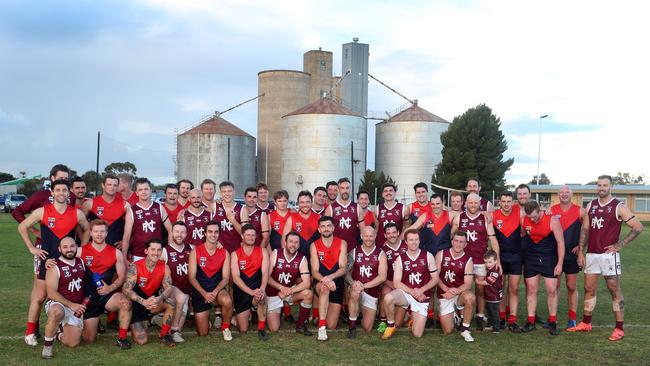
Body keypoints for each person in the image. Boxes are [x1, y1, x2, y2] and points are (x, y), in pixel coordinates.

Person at [568, 175, 643, 341]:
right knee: (589, 288)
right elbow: (585, 230)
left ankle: (619, 328)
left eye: (605, 185)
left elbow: (638, 227)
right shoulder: (591, 206)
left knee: (614, 290)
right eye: (599, 185)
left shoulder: (619, 206)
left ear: (611, 186)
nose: (601, 188)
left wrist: (619, 245)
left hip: (608, 256)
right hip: (592, 255)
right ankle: (586, 322)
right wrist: (581, 251)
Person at [18, 179, 89, 347]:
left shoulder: (76, 213)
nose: (61, 193)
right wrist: (32, 248)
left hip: (67, 262)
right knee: (41, 296)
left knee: (68, 292)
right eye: (58, 190)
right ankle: (30, 332)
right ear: (52, 193)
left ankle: (60, 327)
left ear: (68, 193)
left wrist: (82, 249)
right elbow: (22, 227)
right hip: (47, 261)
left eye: (64, 190)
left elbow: (86, 229)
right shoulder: (42, 211)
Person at [77, 219, 131, 348]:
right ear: (90, 233)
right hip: (87, 299)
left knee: (125, 303)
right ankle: (68, 326)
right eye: (96, 231)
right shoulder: (80, 252)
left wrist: (110, 288)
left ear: (107, 233)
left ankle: (122, 338)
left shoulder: (116, 253)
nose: (99, 234)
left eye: (102, 231)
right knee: (89, 339)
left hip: (106, 296)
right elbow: (63, 262)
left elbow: (122, 276)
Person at [451, 192, 500, 330]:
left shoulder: (485, 219)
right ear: (466, 203)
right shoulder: (459, 217)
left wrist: (498, 260)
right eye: (470, 203)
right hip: (463, 260)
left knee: (480, 288)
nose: (473, 205)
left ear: (480, 204)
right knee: (462, 288)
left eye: (475, 203)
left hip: (479, 260)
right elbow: (452, 237)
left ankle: (479, 316)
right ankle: (460, 315)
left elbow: (493, 240)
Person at [381, 229, 438, 339]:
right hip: (407, 293)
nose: (414, 242)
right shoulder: (400, 258)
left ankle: (410, 315)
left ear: (419, 240)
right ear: (406, 242)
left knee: (417, 334)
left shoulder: (428, 256)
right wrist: (413, 292)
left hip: (422, 297)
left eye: (416, 239)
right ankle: (390, 326)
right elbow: (396, 282)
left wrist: (421, 291)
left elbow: (435, 279)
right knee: (388, 298)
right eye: (411, 240)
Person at [520, 200, 565, 335]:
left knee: (551, 290)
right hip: (531, 258)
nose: (532, 219)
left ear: (540, 211)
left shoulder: (553, 221)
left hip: (549, 259)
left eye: (534, 216)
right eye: (530, 217)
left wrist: (560, 263)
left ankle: (552, 321)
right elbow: (523, 233)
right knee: (531, 290)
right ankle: (531, 321)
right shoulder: (524, 220)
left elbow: (560, 243)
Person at [122, 239, 176, 346]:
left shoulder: (165, 267)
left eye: (159, 250)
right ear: (146, 251)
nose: (156, 253)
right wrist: (143, 302)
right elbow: (126, 289)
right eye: (153, 249)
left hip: (152, 303)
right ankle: (127, 329)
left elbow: (169, 288)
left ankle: (164, 335)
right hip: (137, 305)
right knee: (142, 341)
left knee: (171, 302)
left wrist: (159, 298)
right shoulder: (135, 266)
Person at [41, 237, 87, 359]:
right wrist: (71, 304)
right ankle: (47, 346)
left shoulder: (81, 262)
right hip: (59, 303)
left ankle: (58, 334)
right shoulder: (54, 266)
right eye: (65, 247)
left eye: (72, 246)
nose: (69, 249)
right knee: (56, 311)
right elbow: (51, 293)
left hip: (76, 307)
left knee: (73, 343)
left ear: (76, 247)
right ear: (59, 249)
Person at [188, 220, 234, 341]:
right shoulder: (195, 251)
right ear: (205, 233)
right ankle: (205, 319)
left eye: (216, 232)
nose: (213, 234)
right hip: (201, 291)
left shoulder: (224, 252)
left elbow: (225, 278)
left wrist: (214, 292)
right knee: (203, 332)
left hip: (216, 289)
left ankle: (225, 328)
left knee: (227, 301)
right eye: (210, 232)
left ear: (219, 234)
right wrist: (205, 294)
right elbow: (191, 278)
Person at [549, 185, 585, 328]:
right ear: (558, 195)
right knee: (554, 287)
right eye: (561, 192)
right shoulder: (551, 210)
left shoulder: (580, 211)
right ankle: (553, 318)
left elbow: (587, 231)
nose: (564, 195)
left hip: (572, 254)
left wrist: (581, 248)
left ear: (572, 194)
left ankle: (572, 318)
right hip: (554, 255)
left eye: (567, 192)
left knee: (571, 286)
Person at [266, 231, 314, 335]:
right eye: (291, 241)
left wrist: (289, 290)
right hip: (274, 294)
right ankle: (278, 308)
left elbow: (306, 283)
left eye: (296, 242)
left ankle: (300, 325)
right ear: (285, 242)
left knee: (308, 294)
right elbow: (266, 277)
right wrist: (281, 288)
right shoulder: (275, 253)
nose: (293, 245)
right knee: (274, 328)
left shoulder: (302, 259)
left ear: (299, 244)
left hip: (289, 293)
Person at [310, 216, 348, 341]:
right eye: (323, 226)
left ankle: (318, 311)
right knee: (324, 289)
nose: (326, 229)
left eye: (328, 226)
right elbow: (314, 272)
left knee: (331, 325)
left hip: (336, 282)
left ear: (333, 228)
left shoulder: (342, 243)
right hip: (321, 282)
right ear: (319, 229)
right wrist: (326, 280)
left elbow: (343, 268)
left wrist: (331, 277)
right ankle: (321, 327)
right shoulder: (314, 245)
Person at [346, 226, 387, 337]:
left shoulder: (381, 254)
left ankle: (358, 312)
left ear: (375, 236)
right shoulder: (354, 252)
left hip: (370, 291)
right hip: (356, 288)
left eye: (371, 236)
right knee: (355, 293)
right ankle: (352, 326)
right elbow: (346, 273)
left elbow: (382, 277)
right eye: (366, 236)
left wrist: (363, 286)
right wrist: (353, 283)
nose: (368, 238)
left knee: (367, 328)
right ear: (361, 236)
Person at [231, 224, 270, 340]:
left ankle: (261, 329)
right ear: (242, 236)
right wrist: (251, 292)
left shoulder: (263, 251)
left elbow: (265, 273)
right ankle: (238, 317)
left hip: (257, 291)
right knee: (243, 329)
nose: (251, 237)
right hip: (242, 292)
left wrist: (262, 289)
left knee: (262, 297)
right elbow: (236, 278)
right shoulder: (235, 254)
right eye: (248, 235)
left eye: (253, 235)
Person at [435, 231, 476, 342]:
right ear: (452, 241)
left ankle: (465, 329)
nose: (458, 244)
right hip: (444, 294)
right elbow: (435, 277)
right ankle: (455, 314)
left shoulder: (468, 260)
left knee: (470, 297)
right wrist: (446, 289)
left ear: (466, 244)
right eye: (456, 241)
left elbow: (468, 284)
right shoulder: (441, 254)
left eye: (461, 242)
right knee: (447, 331)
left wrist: (455, 291)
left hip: (459, 294)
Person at [491, 191, 523, 332]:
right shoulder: (493, 215)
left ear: (513, 202)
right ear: (499, 202)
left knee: (514, 289)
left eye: (509, 201)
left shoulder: (520, 213)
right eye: (503, 201)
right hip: (500, 258)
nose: (506, 204)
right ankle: (502, 317)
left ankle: (513, 319)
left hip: (516, 257)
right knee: (501, 289)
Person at [121, 178, 172, 263]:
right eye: (140, 190)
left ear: (150, 190)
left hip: (157, 254)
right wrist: (123, 257)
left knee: (159, 276)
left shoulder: (159, 207)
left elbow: (171, 229)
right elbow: (126, 236)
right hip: (138, 254)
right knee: (135, 276)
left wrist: (169, 250)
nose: (144, 192)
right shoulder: (132, 211)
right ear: (136, 193)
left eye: (146, 189)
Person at [159, 221, 193, 342]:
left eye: (182, 232)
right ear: (172, 233)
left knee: (183, 302)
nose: (179, 234)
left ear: (186, 234)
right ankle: (175, 331)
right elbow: (160, 275)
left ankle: (159, 321)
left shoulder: (192, 249)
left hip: (186, 290)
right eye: (177, 231)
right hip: (170, 289)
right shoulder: (165, 251)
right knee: (182, 301)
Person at [82, 174, 129, 247]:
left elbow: (133, 227)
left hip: (115, 249)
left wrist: (125, 241)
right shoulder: (90, 203)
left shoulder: (125, 205)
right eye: (109, 184)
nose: (112, 187)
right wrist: (84, 240)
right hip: (94, 248)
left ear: (117, 187)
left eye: (115, 185)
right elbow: (79, 225)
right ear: (103, 185)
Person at [377, 223, 408, 329]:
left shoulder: (407, 245)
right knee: (385, 292)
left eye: (394, 232)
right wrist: (395, 285)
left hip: (408, 282)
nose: (392, 235)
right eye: (388, 233)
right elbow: (382, 275)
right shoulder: (382, 250)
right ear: (385, 235)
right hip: (390, 282)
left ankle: (409, 314)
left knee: (398, 324)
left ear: (398, 233)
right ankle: (383, 320)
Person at [325, 177, 364, 252]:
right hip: (335, 248)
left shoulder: (357, 208)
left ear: (350, 189)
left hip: (353, 249)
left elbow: (363, 230)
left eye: (347, 188)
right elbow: (326, 231)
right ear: (339, 190)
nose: (345, 191)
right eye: (342, 188)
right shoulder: (330, 209)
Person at [213, 181, 249, 253]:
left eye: (229, 191)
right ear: (220, 193)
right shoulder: (214, 206)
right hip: (219, 249)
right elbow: (199, 210)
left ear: (234, 192)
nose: (227, 194)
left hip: (236, 250)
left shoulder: (242, 209)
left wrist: (233, 220)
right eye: (224, 191)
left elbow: (245, 233)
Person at [284, 190, 320, 256]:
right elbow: (284, 240)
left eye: (308, 202)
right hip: (297, 258)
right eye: (302, 202)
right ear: (298, 203)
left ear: (312, 202)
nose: (305, 205)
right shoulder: (291, 219)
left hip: (315, 257)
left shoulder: (319, 218)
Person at [375, 183, 410, 247]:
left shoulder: (404, 209)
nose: (388, 193)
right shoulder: (377, 209)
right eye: (385, 191)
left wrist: (398, 240)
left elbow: (407, 228)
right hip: (381, 245)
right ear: (382, 194)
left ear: (395, 193)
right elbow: (376, 228)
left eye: (391, 190)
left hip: (397, 245)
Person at [476, 250, 503, 333]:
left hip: (494, 296)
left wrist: (478, 282)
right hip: (489, 295)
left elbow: (489, 281)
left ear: (496, 261)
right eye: (486, 262)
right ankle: (491, 325)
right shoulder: (490, 269)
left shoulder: (495, 271)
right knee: (490, 311)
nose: (488, 264)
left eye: (490, 262)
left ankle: (496, 328)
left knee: (494, 312)